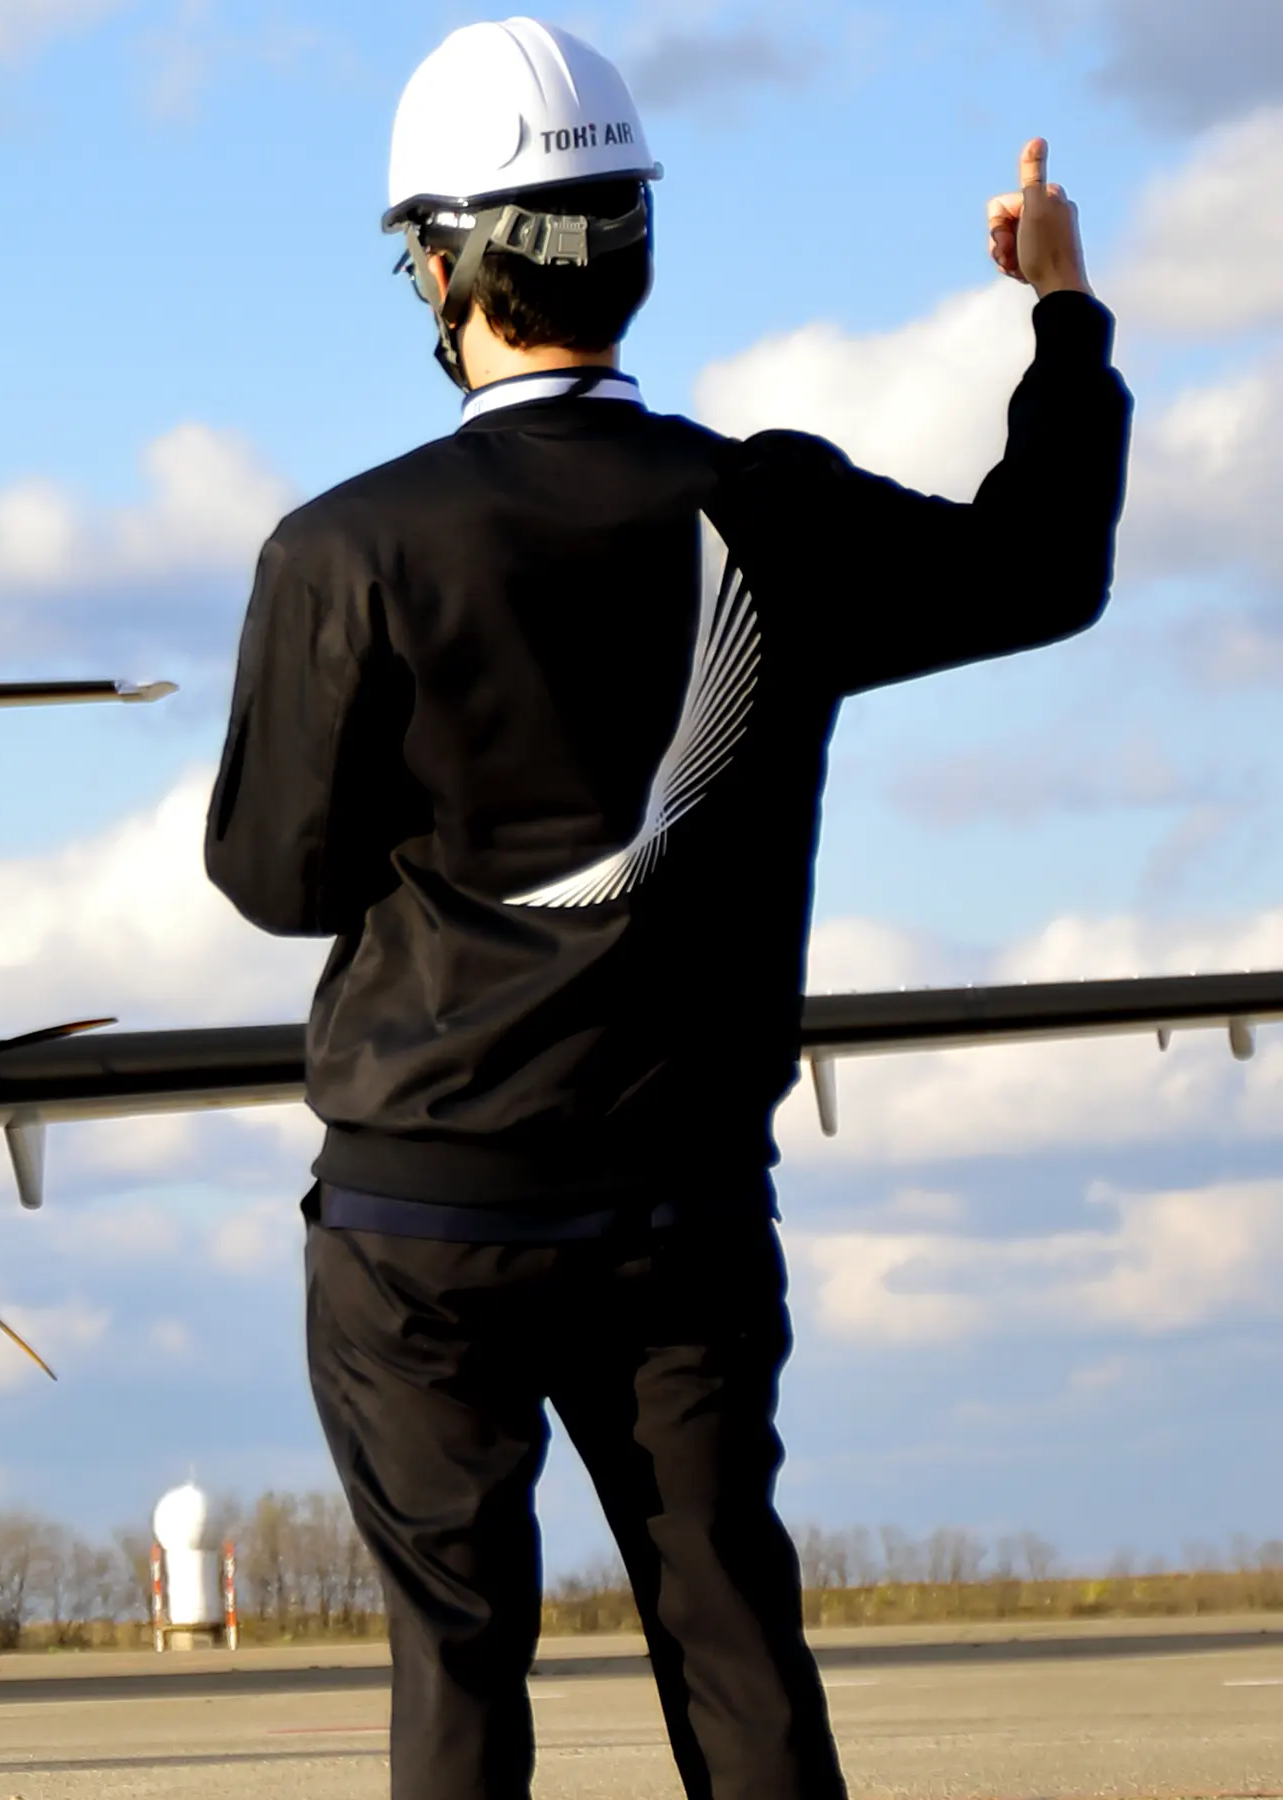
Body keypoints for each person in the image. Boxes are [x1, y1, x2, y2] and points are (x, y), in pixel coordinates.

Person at [204, 19, 1128, 1800]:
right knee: (730, 1633)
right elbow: (1045, 567)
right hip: (679, 1209)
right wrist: (1064, 309)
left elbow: (277, 882)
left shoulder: (344, 551)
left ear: (444, 268)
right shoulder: (770, 514)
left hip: (421, 1222)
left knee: (457, 1667)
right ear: (633, 244)